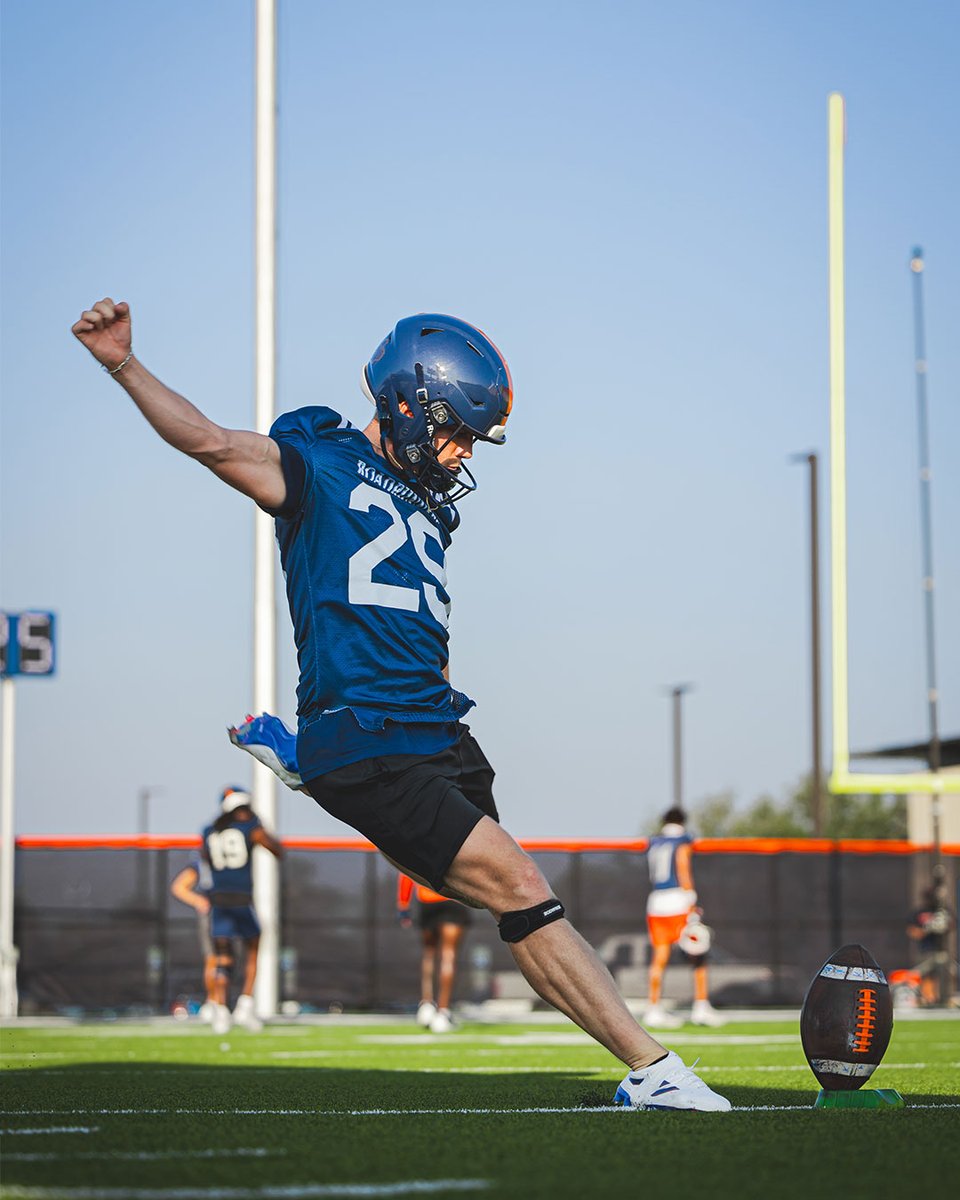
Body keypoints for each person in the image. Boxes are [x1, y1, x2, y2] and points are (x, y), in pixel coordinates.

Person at [72, 298, 730, 1111]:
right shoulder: (317, 462)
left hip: (436, 726)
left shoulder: (429, 501)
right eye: (454, 431)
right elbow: (210, 441)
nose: (458, 455)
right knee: (523, 883)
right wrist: (122, 363)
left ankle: (313, 769)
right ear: (409, 403)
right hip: (370, 730)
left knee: (498, 901)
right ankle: (656, 1071)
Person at [200, 785, 284, 1033]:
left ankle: (221, 1010)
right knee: (253, 949)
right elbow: (277, 849)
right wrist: (259, 825)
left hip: (218, 901)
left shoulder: (208, 831)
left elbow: (204, 858)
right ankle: (244, 1005)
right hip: (241, 899)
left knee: (222, 958)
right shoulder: (250, 828)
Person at [645, 807, 723, 1028]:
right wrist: (690, 898)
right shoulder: (681, 840)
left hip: (656, 902)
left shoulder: (655, 842)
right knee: (698, 953)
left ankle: (653, 1008)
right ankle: (700, 1007)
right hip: (677, 900)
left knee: (659, 956)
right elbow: (682, 865)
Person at [397, 873, 471, 1033]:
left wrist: (403, 904)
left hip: (428, 899)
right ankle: (443, 1013)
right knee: (448, 955)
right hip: (454, 897)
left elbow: (406, 868)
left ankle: (426, 1005)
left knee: (429, 954)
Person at [169, 851, 218, 1021]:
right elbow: (179, 886)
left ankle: (227, 1004)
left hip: (233, 909)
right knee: (213, 958)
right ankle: (213, 1002)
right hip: (214, 914)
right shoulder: (202, 863)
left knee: (231, 959)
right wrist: (199, 901)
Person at [907, 883, 955, 1006]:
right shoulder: (919, 912)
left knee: (943, 974)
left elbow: (953, 925)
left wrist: (944, 923)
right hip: (925, 951)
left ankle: (941, 998)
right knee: (926, 975)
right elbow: (912, 932)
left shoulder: (943, 911)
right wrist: (928, 928)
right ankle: (927, 999)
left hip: (942, 950)